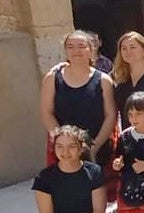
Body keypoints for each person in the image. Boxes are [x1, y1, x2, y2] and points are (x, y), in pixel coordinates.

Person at [39, 30, 117, 176]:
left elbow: (111, 115)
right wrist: (65, 145)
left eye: (81, 46)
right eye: (70, 46)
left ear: (91, 49)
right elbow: (46, 113)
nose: (76, 51)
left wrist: (92, 148)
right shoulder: (52, 78)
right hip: (64, 154)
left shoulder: (104, 80)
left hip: (97, 151)